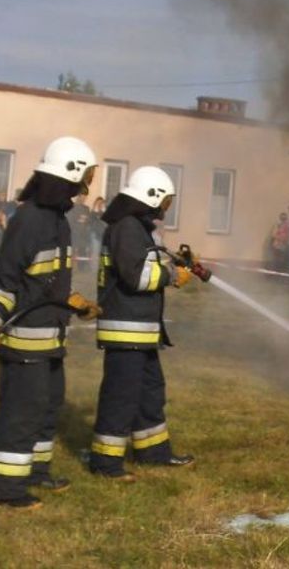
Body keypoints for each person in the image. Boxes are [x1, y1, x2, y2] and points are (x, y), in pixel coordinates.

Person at [0, 136, 100, 510]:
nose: (85, 189)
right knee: (21, 411)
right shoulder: (28, 219)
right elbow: (6, 278)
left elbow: (48, 278)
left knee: (48, 405)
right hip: (24, 339)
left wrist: (72, 301)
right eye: (85, 179)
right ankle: (7, 488)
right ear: (69, 176)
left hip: (50, 338)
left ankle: (36, 471)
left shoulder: (57, 222)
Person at [89, 165, 194, 481]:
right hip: (126, 328)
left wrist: (178, 264)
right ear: (152, 196)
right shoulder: (127, 228)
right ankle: (106, 463)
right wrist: (173, 277)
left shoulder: (139, 228)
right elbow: (136, 276)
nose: (166, 208)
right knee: (121, 395)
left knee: (150, 391)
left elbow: (150, 262)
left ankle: (153, 453)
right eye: (165, 201)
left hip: (142, 330)